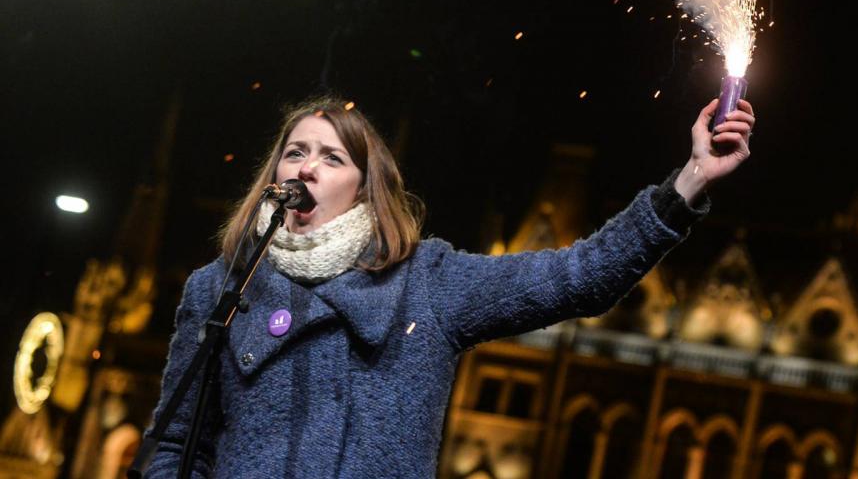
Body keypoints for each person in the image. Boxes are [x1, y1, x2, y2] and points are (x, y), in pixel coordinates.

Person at [143, 95, 756, 478]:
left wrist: (692, 178)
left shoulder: (428, 281)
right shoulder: (220, 288)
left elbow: (581, 277)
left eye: (332, 157)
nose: (305, 166)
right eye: (295, 151)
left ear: (365, 187)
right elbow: (176, 443)